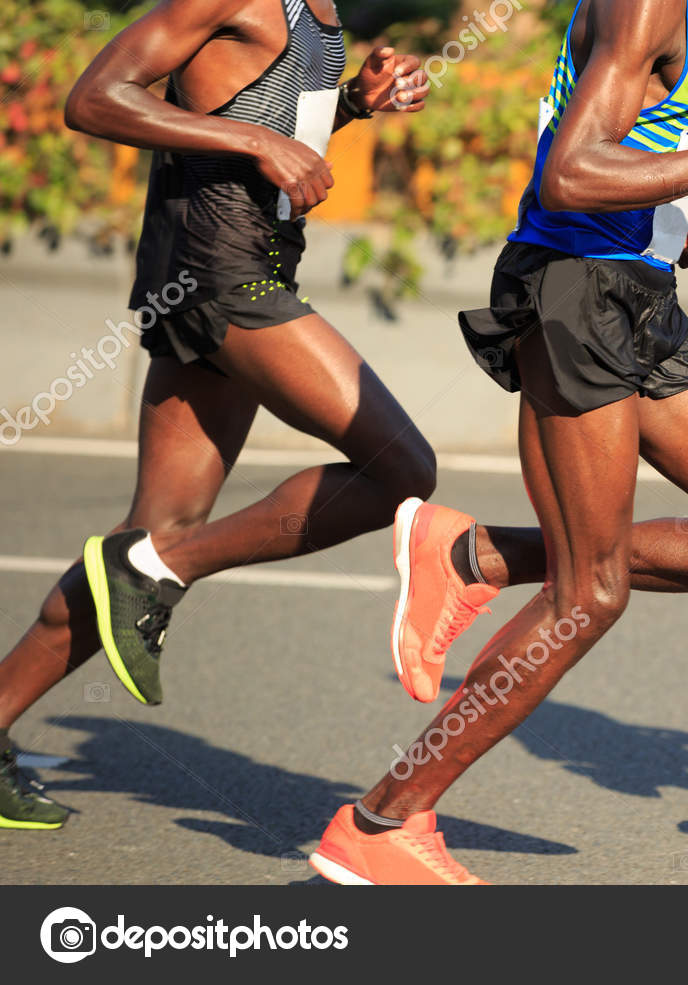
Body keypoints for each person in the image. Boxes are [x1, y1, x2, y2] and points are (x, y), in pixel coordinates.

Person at [308, 0, 688, 885]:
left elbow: (625, 140)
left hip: (641, 287)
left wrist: (675, 213)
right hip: (577, 295)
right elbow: (570, 175)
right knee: (588, 593)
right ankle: (381, 822)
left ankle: (473, 554)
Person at [0, 0, 433, 830]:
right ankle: (164, 564)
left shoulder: (324, 13)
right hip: (216, 268)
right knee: (403, 469)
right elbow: (93, 98)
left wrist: (349, 105)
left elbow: (247, 110)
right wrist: (259, 141)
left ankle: (138, 575)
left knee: (151, 530)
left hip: (251, 258)